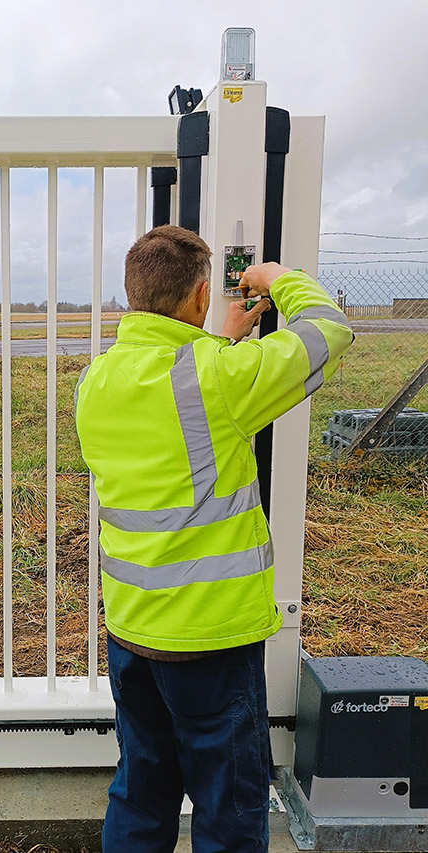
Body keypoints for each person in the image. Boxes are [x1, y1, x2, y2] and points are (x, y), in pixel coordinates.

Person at [74, 225, 353, 853]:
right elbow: (328, 331)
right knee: (228, 806)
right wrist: (278, 278)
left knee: (141, 790)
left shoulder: (95, 382)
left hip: (131, 632)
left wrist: (221, 340)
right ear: (202, 294)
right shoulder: (219, 379)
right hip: (211, 639)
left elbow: (176, 408)